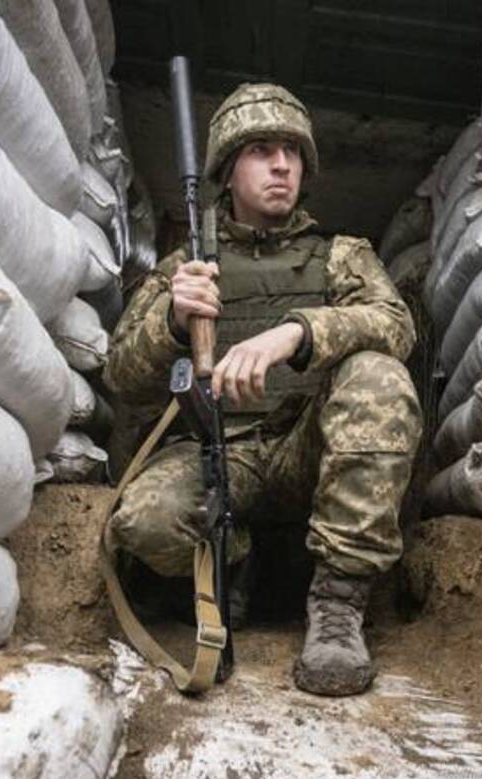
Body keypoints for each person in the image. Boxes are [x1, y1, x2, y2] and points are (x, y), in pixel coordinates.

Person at [103, 82, 421, 697]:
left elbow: (395, 325)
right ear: (226, 169)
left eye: (292, 152)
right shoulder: (184, 268)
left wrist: (295, 334)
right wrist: (172, 319)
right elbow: (122, 376)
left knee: (380, 376)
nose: (282, 165)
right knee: (144, 522)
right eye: (261, 151)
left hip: (311, 448)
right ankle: (242, 565)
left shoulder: (341, 257)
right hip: (221, 451)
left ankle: (336, 609)